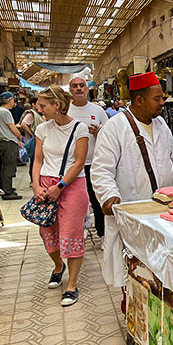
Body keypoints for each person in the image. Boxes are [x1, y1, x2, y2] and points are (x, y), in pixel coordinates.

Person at [91, 72, 173, 290]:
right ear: (139, 100)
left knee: (160, 270)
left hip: (164, 210)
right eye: (157, 99)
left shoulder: (160, 125)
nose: (162, 103)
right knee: (133, 271)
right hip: (132, 212)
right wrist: (109, 196)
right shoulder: (114, 128)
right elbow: (101, 170)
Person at [32, 85, 89, 307]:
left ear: (57, 105)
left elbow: (79, 162)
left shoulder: (79, 128)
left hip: (72, 185)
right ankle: (58, 266)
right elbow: (37, 160)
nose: (39, 109)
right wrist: (37, 186)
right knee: (47, 232)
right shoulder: (43, 129)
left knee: (72, 234)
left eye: (43, 105)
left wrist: (61, 185)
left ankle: (71, 285)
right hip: (45, 184)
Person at [67, 77, 109, 241]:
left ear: (87, 89)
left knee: (98, 201)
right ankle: (77, 234)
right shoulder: (66, 110)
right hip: (72, 165)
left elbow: (109, 134)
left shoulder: (97, 111)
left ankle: (103, 234)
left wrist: (99, 133)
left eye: (81, 85)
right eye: (74, 86)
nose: (78, 88)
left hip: (94, 163)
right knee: (75, 203)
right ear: (70, 90)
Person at [0, 92, 23, 200]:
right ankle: (7, 191)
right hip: (8, 142)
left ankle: (5, 188)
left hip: (3, 141)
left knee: (5, 166)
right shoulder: (5, 112)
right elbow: (12, 128)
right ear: (10, 100)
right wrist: (19, 135)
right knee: (9, 166)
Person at [20, 97, 45, 182]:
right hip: (32, 141)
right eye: (38, 104)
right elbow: (23, 124)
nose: (40, 106)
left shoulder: (37, 114)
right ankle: (33, 180)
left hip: (35, 141)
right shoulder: (31, 114)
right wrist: (33, 134)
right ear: (33, 104)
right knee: (35, 161)